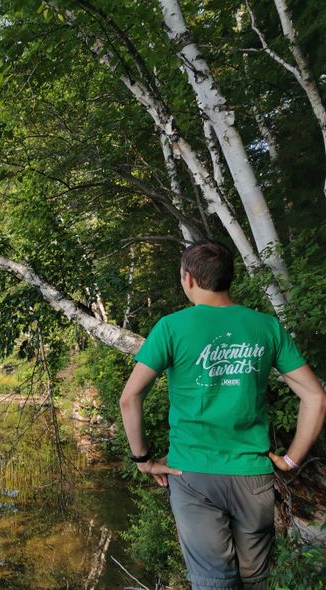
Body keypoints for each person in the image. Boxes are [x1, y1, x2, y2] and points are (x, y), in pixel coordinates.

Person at [118, 239, 326, 590]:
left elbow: (130, 398)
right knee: (256, 580)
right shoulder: (266, 327)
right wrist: (291, 460)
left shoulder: (171, 327)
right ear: (228, 277)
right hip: (253, 476)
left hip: (192, 474)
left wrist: (143, 460)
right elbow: (316, 397)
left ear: (188, 278)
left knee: (213, 582)